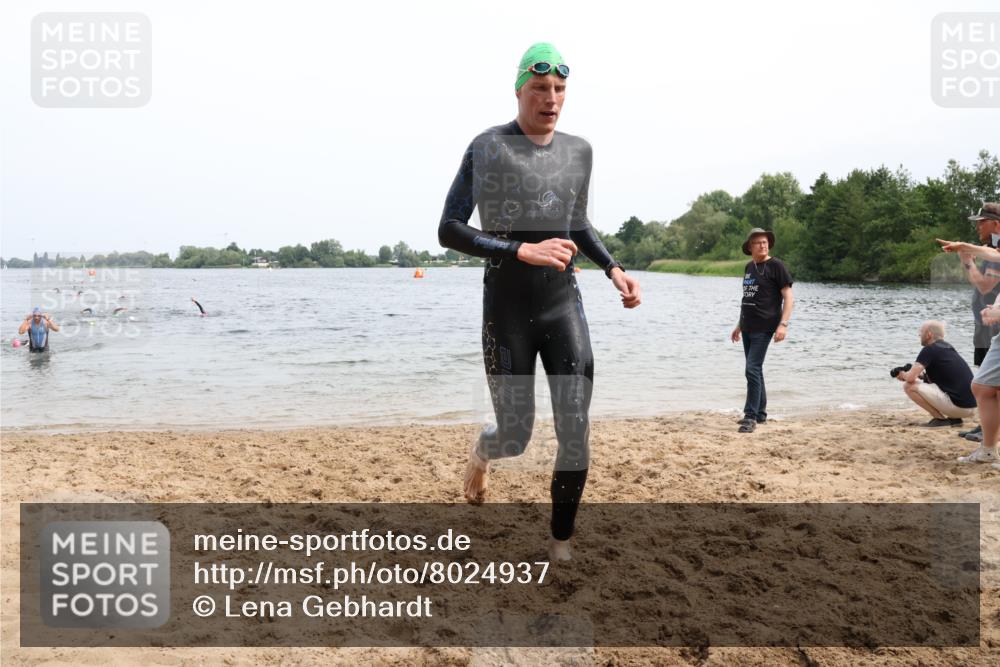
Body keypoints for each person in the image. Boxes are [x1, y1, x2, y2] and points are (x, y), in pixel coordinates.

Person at [438, 42, 641, 562]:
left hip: (561, 305)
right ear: (519, 91)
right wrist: (520, 249)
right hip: (505, 310)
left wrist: (614, 267)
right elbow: (449, 229)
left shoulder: (579, 151)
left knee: (575, 427)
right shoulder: (489, 147)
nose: (550, 99)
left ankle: (561, 543)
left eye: (559, 90)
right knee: (516, 436)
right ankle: (483, 454)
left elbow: (576, 222)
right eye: (540, 89)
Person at [730, 228, 794, 433]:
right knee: (755, 369)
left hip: (765, 326)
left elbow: (789, 297)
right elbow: (747, 299)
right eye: (757, 242)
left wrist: (783, 325)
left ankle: (750, 417)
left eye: (765, 242)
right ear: (750, 247)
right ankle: (760, 413)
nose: (762, 245)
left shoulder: (777, 266)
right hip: (748, 326)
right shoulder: (749, 267)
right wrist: (739, 325)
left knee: (751, 369)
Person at [958, 204, 1000, 442]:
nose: (977, 226)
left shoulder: (995, 250)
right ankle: (985, 427)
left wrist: (967, 262)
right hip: (986, 321)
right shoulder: (990, 249)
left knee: (986, 380)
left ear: (995, 223)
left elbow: (985, 287)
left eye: (981, 221)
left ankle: (987, 430)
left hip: (992, 323)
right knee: (985, 378)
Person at [896, 321, 976, 426]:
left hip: (958, 407)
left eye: (921, 332)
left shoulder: (929, 349)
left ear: (929, 334)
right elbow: (945, 376)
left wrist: (902, 374)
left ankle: (940, 419)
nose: (919, 335)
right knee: (940, 386)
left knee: (909, 386)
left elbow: (910, 379)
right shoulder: (948, 348)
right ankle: (955, 419)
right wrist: (919, 376)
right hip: (972, 406)